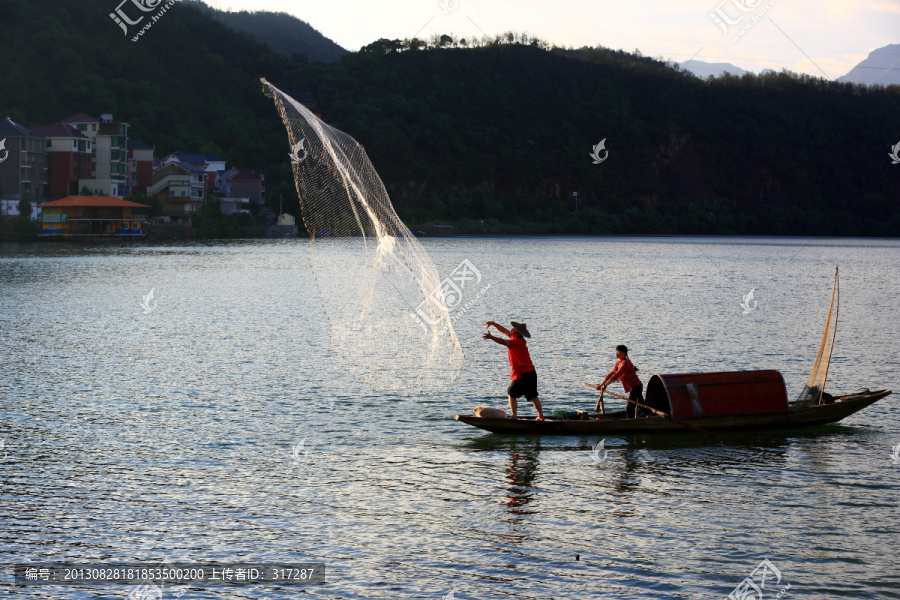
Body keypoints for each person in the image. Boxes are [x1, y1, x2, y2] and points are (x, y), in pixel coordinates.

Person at [483, 320, 545, 421]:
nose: (511, 329)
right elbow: (504, 331)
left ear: (517, 333)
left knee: (511, 392)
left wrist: (491, 337)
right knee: (533, 395)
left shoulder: (516, 342)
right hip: (531, 373)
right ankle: (541, 416)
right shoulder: (516, 338)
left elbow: (502, 341)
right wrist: (493, 323)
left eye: (513, 329)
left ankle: (514, 417)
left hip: (523, 374)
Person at [594, 345, 643, 418]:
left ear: (623, 353)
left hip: (636, 386)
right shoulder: (618, 363)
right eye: (615, 352)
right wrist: (601, 385)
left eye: (618, 352)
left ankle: (630, 421)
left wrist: (606, 385)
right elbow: (610, 374)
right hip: (632, 387)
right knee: (641, 404)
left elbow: (617, 375)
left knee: (630, 407)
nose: (616, 353)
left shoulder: (625, 363)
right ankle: (648, 415)